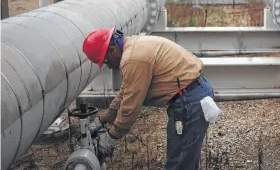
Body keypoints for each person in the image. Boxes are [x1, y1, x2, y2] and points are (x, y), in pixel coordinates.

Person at [82, 26, 214, 170]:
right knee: (186, 158)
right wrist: (103, 119)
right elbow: (126, 92)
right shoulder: (133, 45)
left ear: (113, 50)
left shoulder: (132, 60)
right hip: (194, 93)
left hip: (189, 102)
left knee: (178, 162)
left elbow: (130, 107)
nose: (109, 65)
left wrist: (111, 136)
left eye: (106, 61)